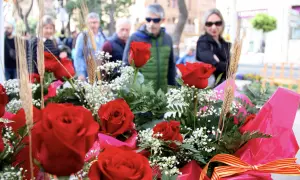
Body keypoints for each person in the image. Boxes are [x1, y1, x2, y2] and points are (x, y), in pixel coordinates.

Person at [122, 3, 176, 92]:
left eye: (156, 20)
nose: (151, 24)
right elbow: (126, 65)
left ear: (163, 20)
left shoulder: (167, 39)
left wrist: (173, 89)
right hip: (142, 94)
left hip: (162, 93)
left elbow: (171, 66)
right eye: (148, 19)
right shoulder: (135, 37)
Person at [196, 8, 231, 85]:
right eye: (209, 24)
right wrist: (225, 64)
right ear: (204, 25)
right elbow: (214, 65)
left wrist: (221, 63)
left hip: (225, 88)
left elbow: (232, 67)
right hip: (209, 90)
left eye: (217, 23)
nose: (214, 27)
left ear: (222, 24)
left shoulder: (224, 43)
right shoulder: (202, 42)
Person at [74, 12, 107, 81]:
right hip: (87, 74)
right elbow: (78, 56)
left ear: (98, 23)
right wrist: (80, 73)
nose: (92, 25)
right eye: (90, 23)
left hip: (102, 74)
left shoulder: (104, 36)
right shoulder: (83, 37)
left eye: (94, 22)